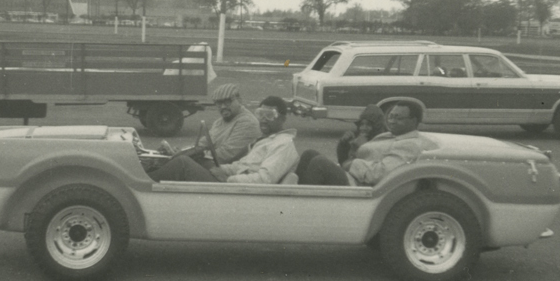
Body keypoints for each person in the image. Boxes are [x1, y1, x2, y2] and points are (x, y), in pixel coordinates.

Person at [148, 96, 299, 184]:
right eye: (260, 114)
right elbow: (242, 165)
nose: (264, 120)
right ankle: (152, 172)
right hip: (234, 182)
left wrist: (229, 178)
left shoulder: (283, 145)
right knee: (194, 159)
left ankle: (145, 183)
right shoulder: (267, 140)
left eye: (270, 115)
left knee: (183, 164)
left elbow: (265, 179)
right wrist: (222, 170)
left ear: (283, 118)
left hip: (236, 191)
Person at [295, 102, 424, 186]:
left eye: (399, 118)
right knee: (309, 154)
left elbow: (380, 174)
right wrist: (346, 147)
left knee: (319, 162)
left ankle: (302, 206)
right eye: (391, 117)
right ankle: (293, 198)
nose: (392, 121)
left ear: (413, 121)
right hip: (354, 175)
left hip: (362, 186)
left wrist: (352, 163)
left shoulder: (409, 145)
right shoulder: (390, 135)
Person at [158, 82, 261, 169]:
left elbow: (224, 155)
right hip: (213, 166)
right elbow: (202, 144)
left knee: (177, 165)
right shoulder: (220, 122)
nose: (223, 107)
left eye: (227, 102)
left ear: (239, 100)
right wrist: (182, 151)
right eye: (219, 103)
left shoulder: (247, 122)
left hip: (227, 172)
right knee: (161, 161)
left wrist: (188, 156)